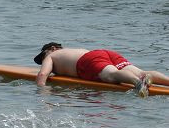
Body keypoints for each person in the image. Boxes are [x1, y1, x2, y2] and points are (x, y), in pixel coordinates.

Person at [33, 42, 169, 97]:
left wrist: (42, 90)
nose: (43, 61)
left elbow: (43, 74)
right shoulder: (73, 50)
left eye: (43, 56)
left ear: (51, 49)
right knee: (141, 72)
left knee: (111, 75)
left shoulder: (51, 55)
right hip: (104, 53)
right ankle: (146, 78)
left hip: (87, 61)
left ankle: (138, 82)